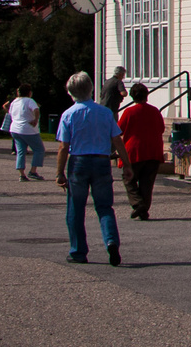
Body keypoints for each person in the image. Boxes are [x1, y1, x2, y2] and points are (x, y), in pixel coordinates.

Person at [55, 71, 132, 265]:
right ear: (91, 89)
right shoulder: (105, 112)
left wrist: (59, 173)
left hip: (79, 161)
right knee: (105, 206)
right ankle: (111, 241)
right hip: (101, 160)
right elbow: (117, 139)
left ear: (70, 92)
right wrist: (127, 164)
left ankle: (78, 251)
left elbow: (63, 147)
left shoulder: (68, 114)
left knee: (76, 208)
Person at [116, 83, 166, 220]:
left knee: (129, 179)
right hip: (153, 150)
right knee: (147, 182)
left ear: (133, 97)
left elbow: (118, 130)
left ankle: (138, 204)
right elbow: (161, 129)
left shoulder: (129, 112)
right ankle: (143, 209)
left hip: (134, 150)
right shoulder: (155, 111)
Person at [8, 83, 46, 181]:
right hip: (28, 129)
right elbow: (36, 110)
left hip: (15, 129)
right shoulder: (29, 100)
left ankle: (21, 174)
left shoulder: (14, 102)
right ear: (29, 92)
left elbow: (10, 113)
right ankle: (33, 171)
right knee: (39, 149)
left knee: (21, 151)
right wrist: (36, 120)